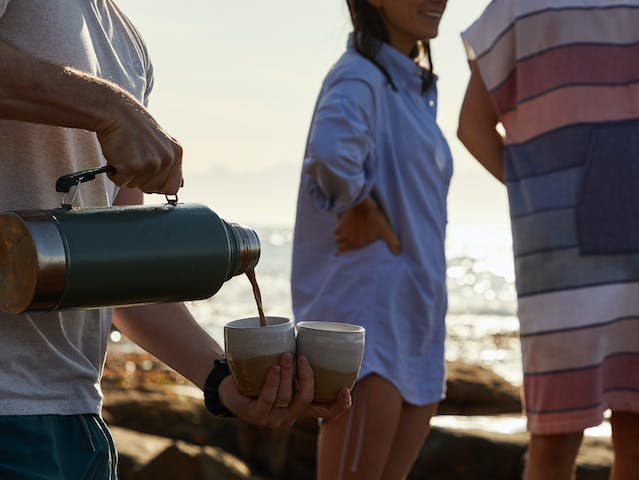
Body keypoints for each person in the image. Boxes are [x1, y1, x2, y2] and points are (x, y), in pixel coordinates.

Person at [0, 1, 350, 478]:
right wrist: (110, 108)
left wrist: (225, 382)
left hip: (77, 418)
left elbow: (123, 277)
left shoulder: (125, 44)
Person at [458, 1, 639, 478]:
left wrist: (543, 202)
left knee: (554, 447)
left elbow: (471, 126)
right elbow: (471, 126)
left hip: (570, 275)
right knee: (636, 449)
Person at [291, 0, 452, 478]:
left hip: (413, 320)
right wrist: (359, 204)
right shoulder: (359, 75)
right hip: (370, 325)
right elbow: (330, 154)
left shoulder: (403, 84)